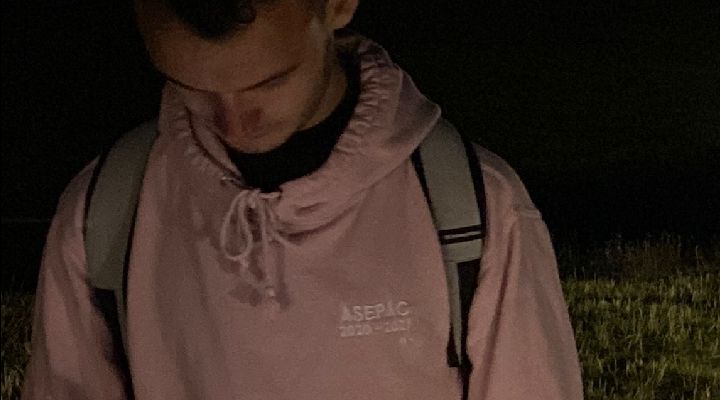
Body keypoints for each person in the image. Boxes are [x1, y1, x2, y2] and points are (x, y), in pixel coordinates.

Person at [24, 0, 582, 398]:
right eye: (189, 85)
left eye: (269, 82)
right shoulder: (103, 212)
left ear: (337, 6)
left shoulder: (476, 206)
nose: (231, 122)